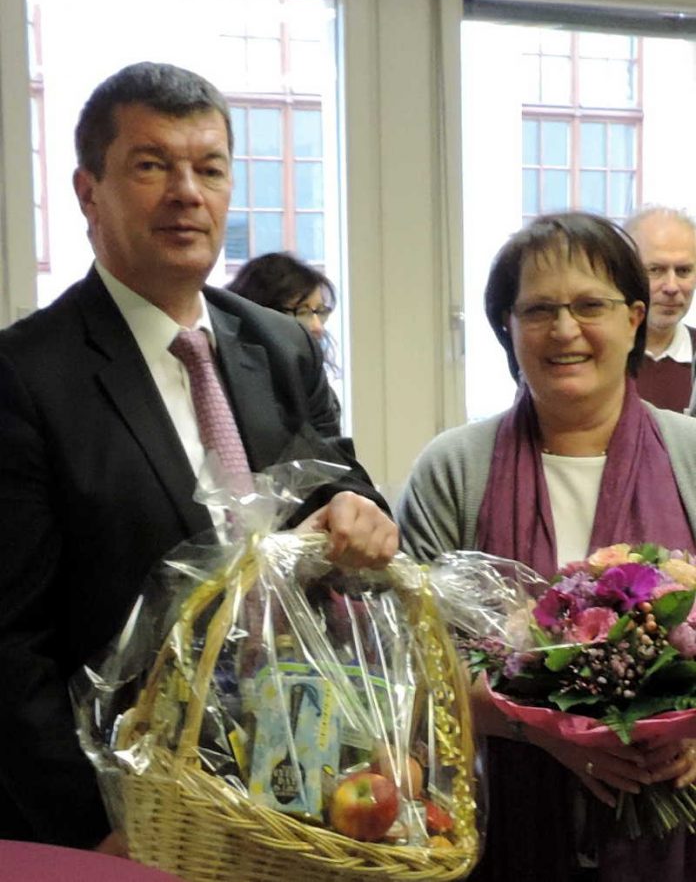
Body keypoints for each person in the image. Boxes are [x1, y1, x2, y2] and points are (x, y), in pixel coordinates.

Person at [0, 62, 397, 855]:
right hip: (123, 819)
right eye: (152, 165)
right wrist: (97, 828)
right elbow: (9, 646)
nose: (187, 191)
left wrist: (368, 517)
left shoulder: (280, 344)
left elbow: (344, 490)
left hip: (296, 789)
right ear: (88, 192)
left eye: (209, 168)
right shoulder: (25, 377)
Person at [397, 212, 696, 882]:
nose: (565, 330)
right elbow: (412, 662)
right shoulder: (453, 468)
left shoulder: (691, 457)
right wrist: (550, 732)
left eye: (591, 305)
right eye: (538, 309)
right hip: (497, 823)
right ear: (507, 324)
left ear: (635, 318)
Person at [227, 251, 341, 415]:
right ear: (264, 313)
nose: (318, 327)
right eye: (302, 312)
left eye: (321, 312)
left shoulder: (317, 389)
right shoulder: (231, 385)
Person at [625, 206, 696, 412]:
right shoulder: (600, 355)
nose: (672, 287)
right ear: (626, 272)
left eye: (683, 271)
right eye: (655, 270)